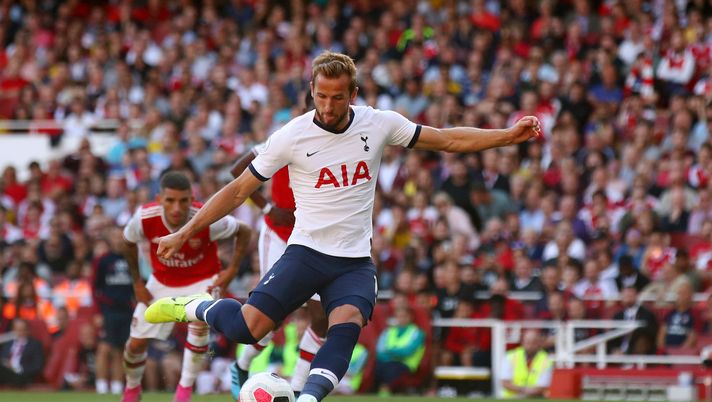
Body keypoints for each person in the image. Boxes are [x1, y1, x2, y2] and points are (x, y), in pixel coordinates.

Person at [146, 51, 540, 402]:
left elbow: (447, 139)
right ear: (312, 91)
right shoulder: (292, 135)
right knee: (251, 329)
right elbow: (236, 190)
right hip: (305, 252)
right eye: (321, 96)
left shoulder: (379, 123)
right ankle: (193, 306)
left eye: (337, 97)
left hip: (353, 260)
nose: (328, 106)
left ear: (353, 94)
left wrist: (507, 136)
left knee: (345, 325)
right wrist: (185, 232)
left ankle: (307, 398)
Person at [121, 171, 252, 402]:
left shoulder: (205, 216)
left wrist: (231, 270)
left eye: (183, 200)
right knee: (135, 344)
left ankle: (184, 390)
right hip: (161, 281)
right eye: (170, 200)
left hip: (203, 280)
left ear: (192, 199)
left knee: (198, 326)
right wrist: (137, 283)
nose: (176, 208)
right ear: (159, 198)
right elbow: (128, 242)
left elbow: (244, 230)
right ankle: (132, 389)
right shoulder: (144, 217)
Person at [227, 101, 328, 399]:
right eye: (318, 106)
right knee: (273, 314)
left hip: (315, 236)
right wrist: (269, 206)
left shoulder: (342, 145)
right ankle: (241, 364)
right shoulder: (286, 137)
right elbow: (237, 170)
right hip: (280, 234)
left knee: (321, 315)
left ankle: (298, 387)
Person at [92, 227, 135, 395]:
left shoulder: (132, 258)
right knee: (104, 348)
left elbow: (137, 284)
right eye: (115, 237)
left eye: (120, 236)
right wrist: (97, 312)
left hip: (126, 310)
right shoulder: (102, 260)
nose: (118, 240)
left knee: (120, 349)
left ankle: (117, 387)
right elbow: (94, 287)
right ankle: (101, 386)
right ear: (109, 240)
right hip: (108, 310)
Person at [373, 305, 425, 396]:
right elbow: (379, 351)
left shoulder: (416, 332)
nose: (401, 319)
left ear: (410, 317)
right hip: (387, 361)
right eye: (399, 316)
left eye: (404, 316)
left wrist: (390, 351)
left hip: (406, 364)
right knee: (377, 366)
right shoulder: (389, 331)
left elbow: (408, 352)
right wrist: (396, 352)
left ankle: (385, 391)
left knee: (392, 369)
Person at [500, 329, 552, 398]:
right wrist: (524, 391)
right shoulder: (510, 356)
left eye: (534, 342)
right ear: (522, 342)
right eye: (528, 342)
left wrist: (523, 392)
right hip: (511, 398)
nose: (530, 345)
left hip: (534, 398)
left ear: (539, 343)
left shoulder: (546, 360)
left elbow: (542, 386)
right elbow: (505, 383)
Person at [0, 318, 44, 387]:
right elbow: (2, 359)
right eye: (18, 330)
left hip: (21, 376)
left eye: (23, 330)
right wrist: (6, 364)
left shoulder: (35, 345)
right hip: (5, 374)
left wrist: (16, 368)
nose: (21, 333)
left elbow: (37, 366)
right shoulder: (8, 344)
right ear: (13, 331)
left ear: (28, 331)